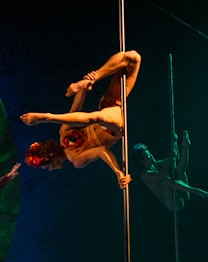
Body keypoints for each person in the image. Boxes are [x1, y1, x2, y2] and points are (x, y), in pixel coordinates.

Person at [21, 51, 142, 189]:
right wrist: (118, 172)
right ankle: (90, 81)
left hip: (106, 113)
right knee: (96, 117)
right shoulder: (77, 158)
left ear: (51, 158)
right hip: (110, 122)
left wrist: (82, 89)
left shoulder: (72, 152)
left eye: (46, 167)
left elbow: (76, 109)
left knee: (132, 58)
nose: (50, 170)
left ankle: (47, 117)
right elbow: (101, 150)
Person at [133, 130, 208, 211]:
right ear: (142, 161)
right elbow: (161, 175)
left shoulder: (155, 164)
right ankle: (194, 190)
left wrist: (175, 143)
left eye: (150, 153)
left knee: (180, 170)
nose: (151, 155)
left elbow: (174, 159)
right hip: (172, 203)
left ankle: (185, 145)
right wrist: (170, 157)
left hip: (181, 195)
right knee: (166, 181)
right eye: (147, 155)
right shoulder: (144, 174)